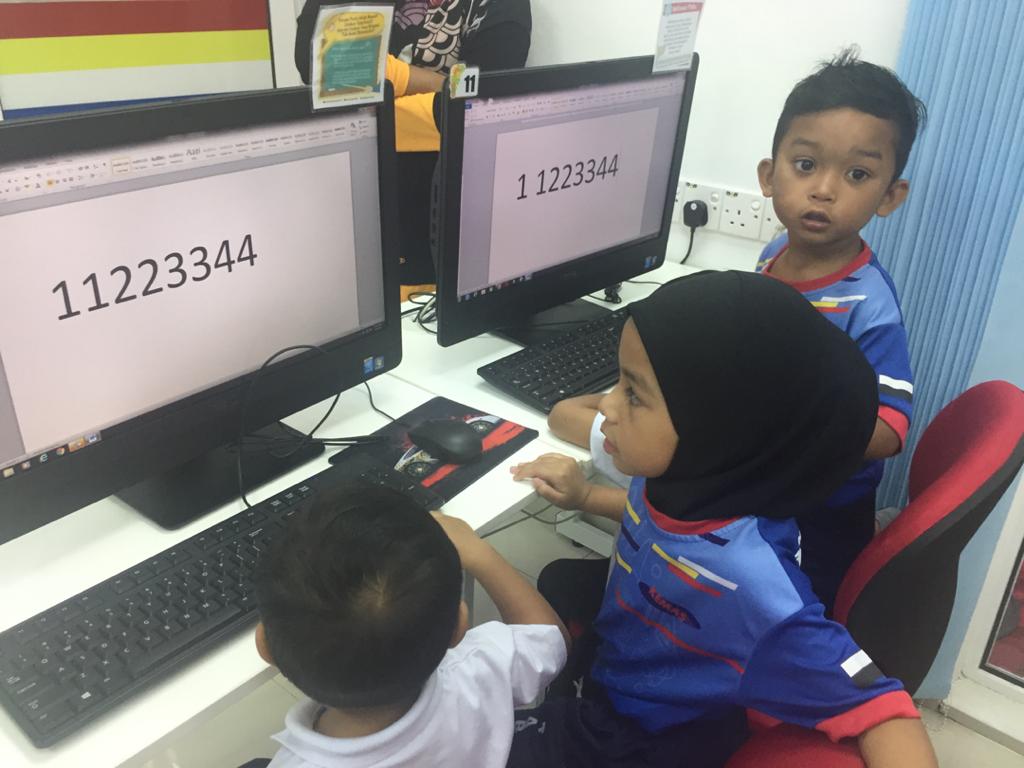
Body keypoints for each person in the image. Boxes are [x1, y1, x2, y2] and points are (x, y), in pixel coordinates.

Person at [509, 272, 937, 768]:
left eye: (633, 394)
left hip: (644, 738)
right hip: (621, 662)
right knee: (557, 582)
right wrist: (586, 495)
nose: (607, 404)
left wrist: (475, 553)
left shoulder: (757, 590)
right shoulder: (679, 475)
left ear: (715, 423)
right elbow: (658, 525)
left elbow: (885, 709)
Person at [550, 49, 923, 614]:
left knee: (767, 606)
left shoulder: (868, 304)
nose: (824, 190)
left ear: (890, 196)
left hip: (816, 512)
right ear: (769, 176)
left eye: (857, 174)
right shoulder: (774, 255)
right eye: (805, 165)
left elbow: (890, 429)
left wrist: (786, 420)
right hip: (749, 486)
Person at [254, 486, 568, 768]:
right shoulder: (475, 671)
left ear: (264, 646)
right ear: (459, 628)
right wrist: (478, 552)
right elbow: (549, 639)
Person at [294, 0, 532, 291]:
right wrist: (433, 84)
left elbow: (479, 103)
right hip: (348, 201)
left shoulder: (499, 7)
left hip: (440, 215)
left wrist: (380, 79)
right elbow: (323, 65)